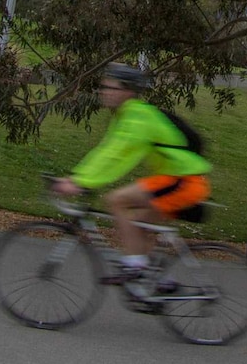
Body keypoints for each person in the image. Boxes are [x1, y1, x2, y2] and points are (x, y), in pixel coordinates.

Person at [53, 62, 212, 278]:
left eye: (111, 87)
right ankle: (157, 282)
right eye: (103, 87)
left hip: (183, 181)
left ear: (127, 91)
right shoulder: (127, 115)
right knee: (139, 226)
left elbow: (117, 154)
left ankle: (135, 265)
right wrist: (77, 177)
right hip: (176, 180)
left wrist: (80, 182)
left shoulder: (138, 117)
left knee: (117, 200)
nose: (104, 92)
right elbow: (106, 150)